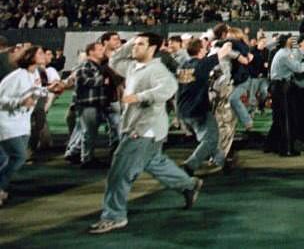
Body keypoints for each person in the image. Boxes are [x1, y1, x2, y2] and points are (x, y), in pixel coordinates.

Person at [89, 33, 203, 234]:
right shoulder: (133, 66)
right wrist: (132, 42)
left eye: (140, 44)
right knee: (156, 163)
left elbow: (169, 88)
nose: (134, 47)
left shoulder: (157, 69)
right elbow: (115, 59)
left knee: (119, 173)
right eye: (135, 44)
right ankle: (189, 184)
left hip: (143, 130)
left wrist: (139, 97)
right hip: (143, 129)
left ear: (152, 48)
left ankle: (114, 216)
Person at [0, 45, 50, 205]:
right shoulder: (16, 77)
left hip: (22, 123)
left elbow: (34, 91)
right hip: (7, 123)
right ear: (30, 57)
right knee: (19, 156)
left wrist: (49, 89)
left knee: (8, 158)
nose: (44, 55)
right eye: (40, 53)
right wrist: (19, 101)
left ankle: (3, 189)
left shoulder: (34, 73)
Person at [176, 38, 234, 175]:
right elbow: (224, 51)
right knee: (211, 139)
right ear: (200, 50)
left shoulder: (182, 66)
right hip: (198, 109)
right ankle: (190, 165)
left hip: (183, 109)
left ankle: (222, 162)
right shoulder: (202, 64)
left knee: (208, 138)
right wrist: (229, 42)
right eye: (204, 47)